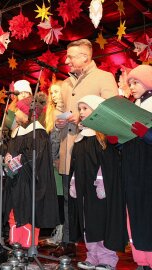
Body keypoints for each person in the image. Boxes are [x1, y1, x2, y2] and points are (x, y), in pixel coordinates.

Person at [52, 39, 118, 257]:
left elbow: (112, 111)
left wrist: (79, 119)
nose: (66, 60)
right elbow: (59, 110)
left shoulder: (104, 78)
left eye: (71, 56)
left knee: (95, 199)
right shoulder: (65, 84)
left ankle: (102, 247)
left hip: (94, 148)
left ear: (85, 56)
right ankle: (70, 240)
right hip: (69, 147)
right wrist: (59, 120)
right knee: (71, 198)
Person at [69, 95, 126, 270]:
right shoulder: (80, 139)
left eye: (85, 108)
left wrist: (102, 182)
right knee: (87, 223)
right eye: (80, 109)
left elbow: (108, 163)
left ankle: (107, 258)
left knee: (102, 221)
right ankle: (91, 256)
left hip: (99, 191)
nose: (81, 112)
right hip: (84, 190)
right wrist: (73, 183)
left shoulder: (103, 138)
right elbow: (76, 164)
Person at [4, 97, 60, 248]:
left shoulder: (38, 134)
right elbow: (12, 154)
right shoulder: (18, 133)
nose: (15, 114)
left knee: (28, 215)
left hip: (30, 183)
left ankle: (28, 248)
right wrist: (7, 159)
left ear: (27, 112)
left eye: (18, 110)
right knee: (14, 214)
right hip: (17, 182)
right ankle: (16, 246)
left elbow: (33, 159)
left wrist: (13, 162)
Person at [122, 65, 152, 269]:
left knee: (147, 211)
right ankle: (141, 258)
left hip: (148, 166)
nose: (131, 87)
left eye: (136, 82)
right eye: (130, 83)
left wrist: (148, 135)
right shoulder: (132, 106)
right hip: (133, 164)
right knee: (134, 211)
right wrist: (117, 140)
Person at [43, 81, 65, 245]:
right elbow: (51, 139)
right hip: (52, 161)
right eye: (52, 92)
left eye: (57, 91)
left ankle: (63, 231)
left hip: (60, 160)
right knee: (57, 197)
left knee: (63, 196)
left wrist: (56, 158)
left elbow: (59, 139)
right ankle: (59, 229)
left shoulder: (65, 112)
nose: (54, 95)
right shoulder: (49, 113)